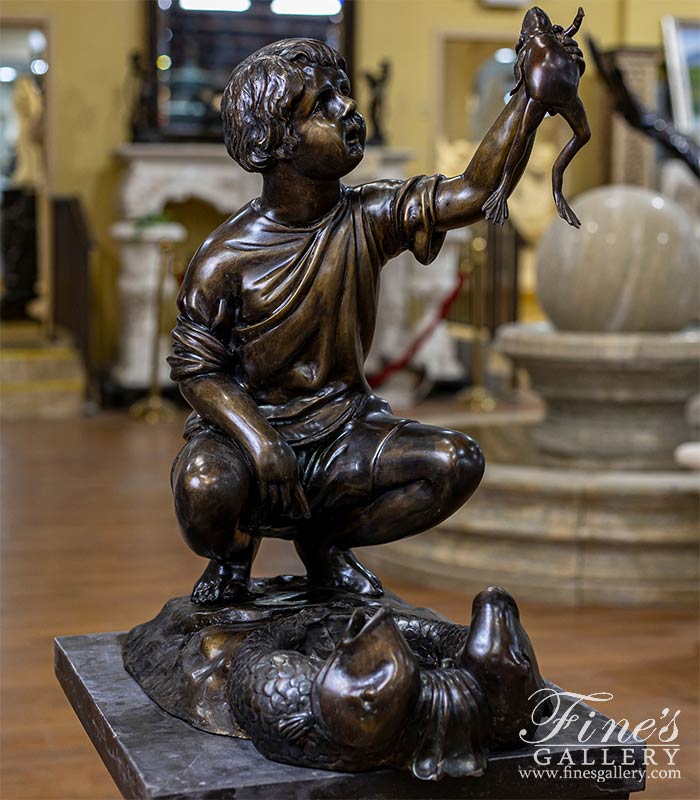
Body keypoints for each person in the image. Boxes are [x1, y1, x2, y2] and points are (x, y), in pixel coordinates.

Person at [168, 37, 580, 605]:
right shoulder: (223, 260)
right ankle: (232, 562)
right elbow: (196, 371)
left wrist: (532, 98)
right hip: (247, 437)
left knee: (454, 463)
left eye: (343, 94)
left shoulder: (368, 217)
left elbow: (474, 191)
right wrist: (261, 442)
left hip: (344, 431)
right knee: (204, 487)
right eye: (321, 105)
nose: (347, 111)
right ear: (271, 140)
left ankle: (326, 546)